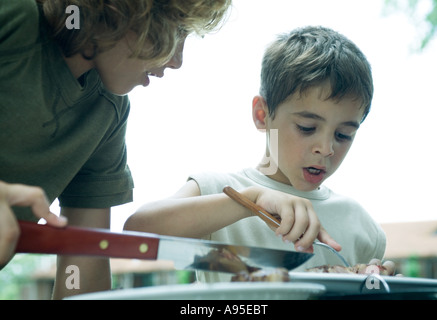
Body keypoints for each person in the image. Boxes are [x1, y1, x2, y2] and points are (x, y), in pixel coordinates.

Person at [0, 0, 231, 298]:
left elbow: (80, 269)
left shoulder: (107, 112)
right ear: (122, 9)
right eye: (175, 29)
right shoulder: (15, 17)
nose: (177, 60)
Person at [124, 26, 388, 282]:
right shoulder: (219, 190)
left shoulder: (362, 226)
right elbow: (135, 235)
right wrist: (249, 202)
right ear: (262, 115)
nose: (327, 148)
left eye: (343, 135)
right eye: (307, 128)